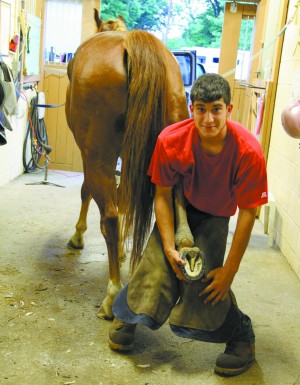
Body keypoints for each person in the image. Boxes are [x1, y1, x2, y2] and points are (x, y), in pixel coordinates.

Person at [108, 73, 268, 377]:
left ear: (229, 109)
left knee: (203, 284)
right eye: (201, 109)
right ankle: (126, 316)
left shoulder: (248, 151)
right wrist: (168, 245)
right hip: (179, 206)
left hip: (216, 214)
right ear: (191, 107)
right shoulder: (170, 140)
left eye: (216, 109)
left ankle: (240, 334)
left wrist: (229, 272)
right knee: (156, 268)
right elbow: (162, 195)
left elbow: (248, 213)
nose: (208, 118)